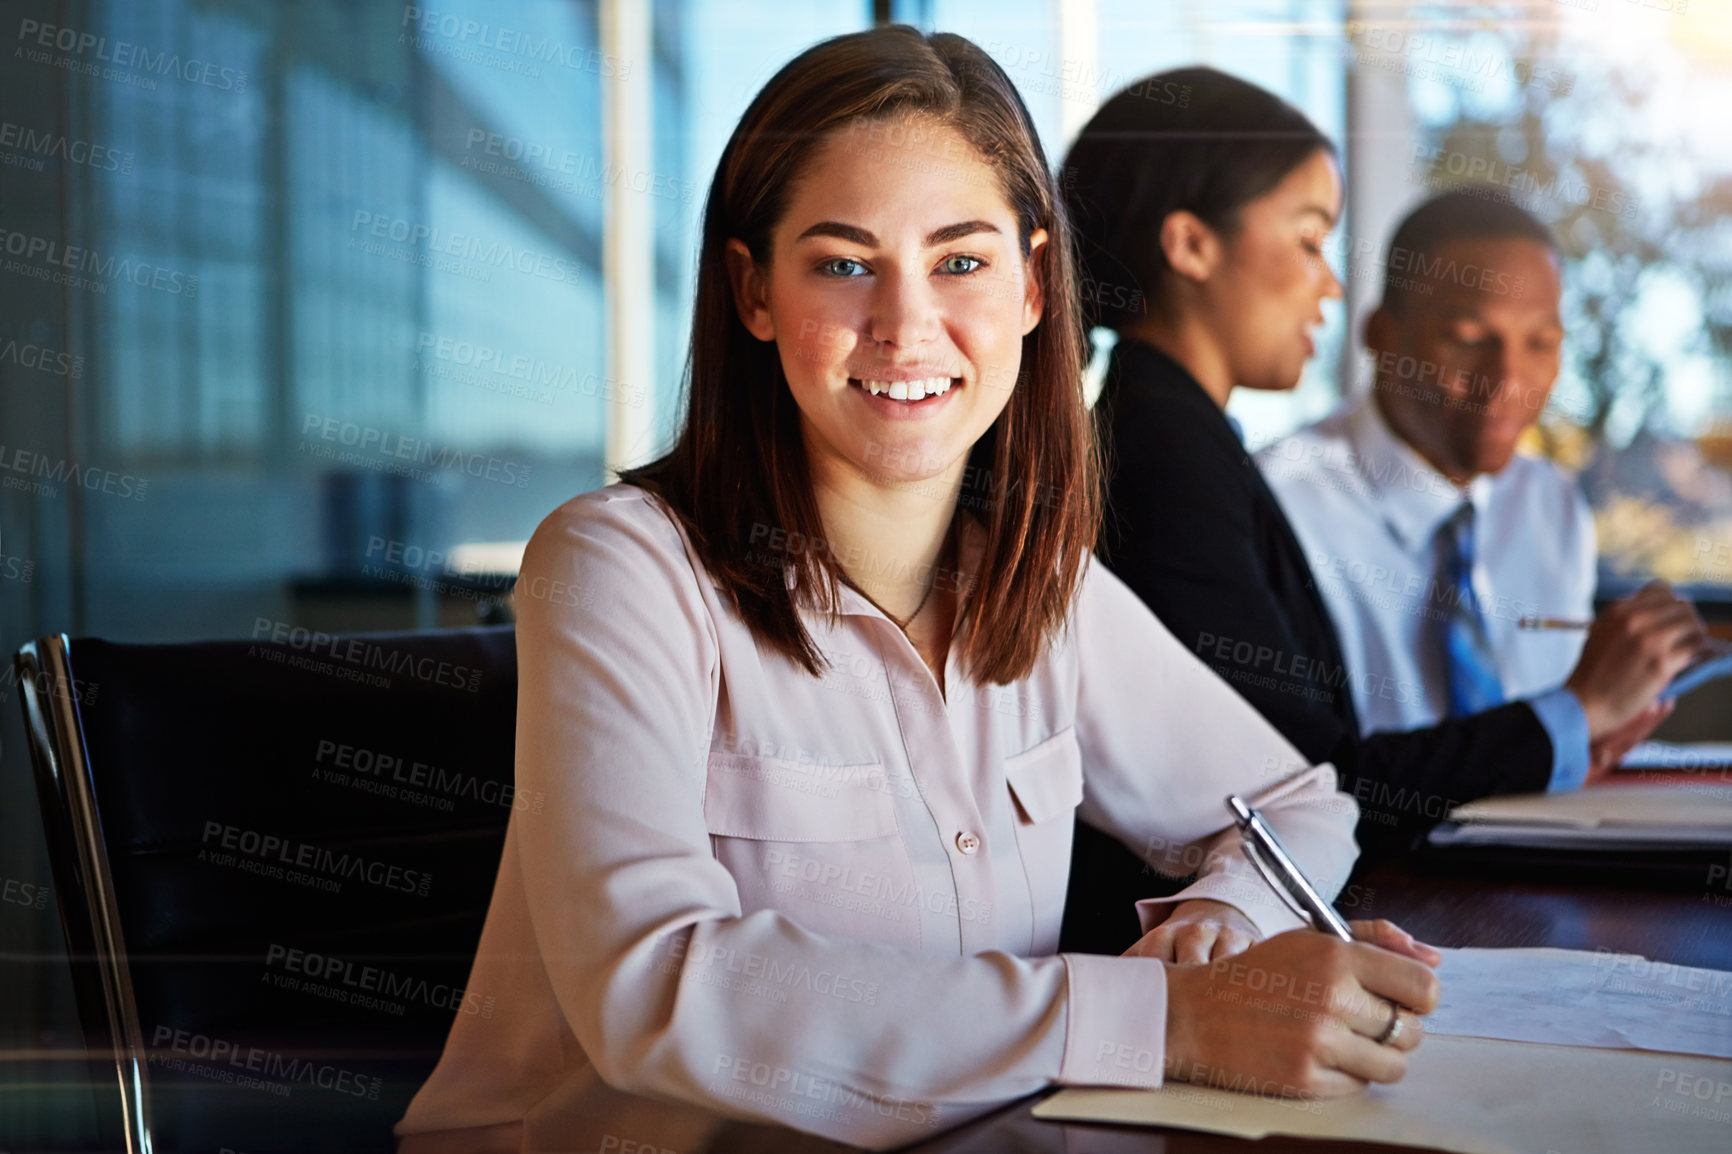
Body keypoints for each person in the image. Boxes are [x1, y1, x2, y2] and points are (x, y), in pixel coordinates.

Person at [394, 29, 1441, 1154]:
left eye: (961, 260)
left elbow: (1296, 804)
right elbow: (653, 986)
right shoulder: (621, 567)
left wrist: (1218, 932)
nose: (905, 325)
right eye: (843, 264)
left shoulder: (1037, 582)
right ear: (752, 289)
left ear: (1036, 284)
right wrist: (1162, 1018)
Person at [1057, 69, 1704, 945]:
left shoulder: (1185, 438)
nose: (1329, 285)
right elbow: (1303, 784)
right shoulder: (1161, 453)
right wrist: (1572, 709)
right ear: (1192, 246)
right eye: (1310, 238)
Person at [1260, 191, 1684, 746]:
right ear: (1381, 337)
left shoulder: (1551, 505)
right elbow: (1308, 775)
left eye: (1541, 343)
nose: (1507, 381)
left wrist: (1591, 736)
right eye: (1468, 340)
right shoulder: (1279, 502)